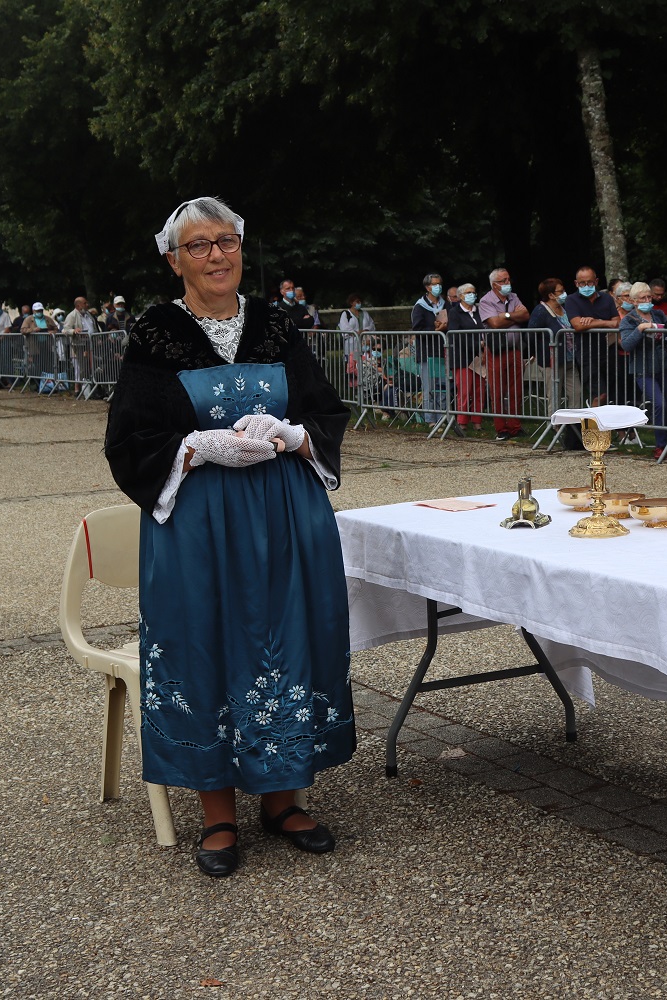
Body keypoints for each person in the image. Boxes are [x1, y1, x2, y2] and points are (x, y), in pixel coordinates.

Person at [103, 195, 353, 877]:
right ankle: (217, 813)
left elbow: (324, 411)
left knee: (287, 639)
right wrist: (194, 447)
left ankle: (283, 798)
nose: (216, 256)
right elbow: (129, 438)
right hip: (199, 520)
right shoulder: (156, 333)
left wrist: (294, 434)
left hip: (285, 513)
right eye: (199, 245)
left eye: (227, 242)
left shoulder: (276, 323)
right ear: (173, 260)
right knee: (203, 641)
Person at [620, 281, 667, 460]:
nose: (647, 301)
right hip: (642, 369)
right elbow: (626, 344)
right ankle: (660, 445)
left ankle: (665, 442)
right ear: (634, 301)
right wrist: (640, 329)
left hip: (663, 365)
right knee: (659, 403)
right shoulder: (628, 320)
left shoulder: (658, 314)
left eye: (649, 297)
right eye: (643, 298)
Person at [529, 278, 583, 449]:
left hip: (570, 358)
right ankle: (555, 428)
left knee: (576, 393)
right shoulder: (541, 311)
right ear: (551, 295)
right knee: (554, 395)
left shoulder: (565, 308)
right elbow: (531, 334)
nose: (564, 293)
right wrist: (538, 353)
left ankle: (574, 429)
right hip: (551, 361)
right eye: (560, 291)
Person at [478, 267, 529, 440]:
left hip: (515, 349)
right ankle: (501, 428)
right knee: (498, 391)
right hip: (496, 351)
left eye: (508, 279)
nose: (508, 283)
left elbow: (525, 315)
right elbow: (494, 324)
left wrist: (505, 315)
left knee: (517, 390)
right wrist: (514, 316)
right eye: (503, 281)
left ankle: (515, 426)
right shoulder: (486, 301)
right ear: (494, 285)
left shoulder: (514, 297)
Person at [563, 266, 620, 406]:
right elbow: (578, 325)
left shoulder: (606, 298)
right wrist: (605, 323)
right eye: (582, 283)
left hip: (609, 351)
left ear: (596, 281)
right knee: (599, 395)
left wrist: (594, 321)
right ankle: (592, 420)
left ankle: (605, 419)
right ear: (576, 283)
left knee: (611, 394)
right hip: (586, 353)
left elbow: (616, 323)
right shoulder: (571, 300)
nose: (586, 286)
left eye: (589, 282)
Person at [408, 272, 449, 424]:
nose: (438, 287)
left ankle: (442, 416)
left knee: (442, 386)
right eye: (434, 284)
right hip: (427, 352)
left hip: (442, 351)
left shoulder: (445, 304)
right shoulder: (420, 307)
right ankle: (430, 418)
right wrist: (435, 329)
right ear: (427, 287)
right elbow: (417, 329)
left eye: (439, 284)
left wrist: (446, 326)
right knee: (429, 387)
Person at [446, 282, 486, 434]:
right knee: (464, 390)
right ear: (461, 296)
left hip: (479, 357)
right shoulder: (455, 312)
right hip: (462, 357)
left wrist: (484, 345)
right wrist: (478, 344)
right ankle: (462, 422)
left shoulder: (479, 310)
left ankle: (477, 422)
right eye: (469, 292)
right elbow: (456, 335)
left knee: (479, 390)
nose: (472, 295)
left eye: (473, 292)